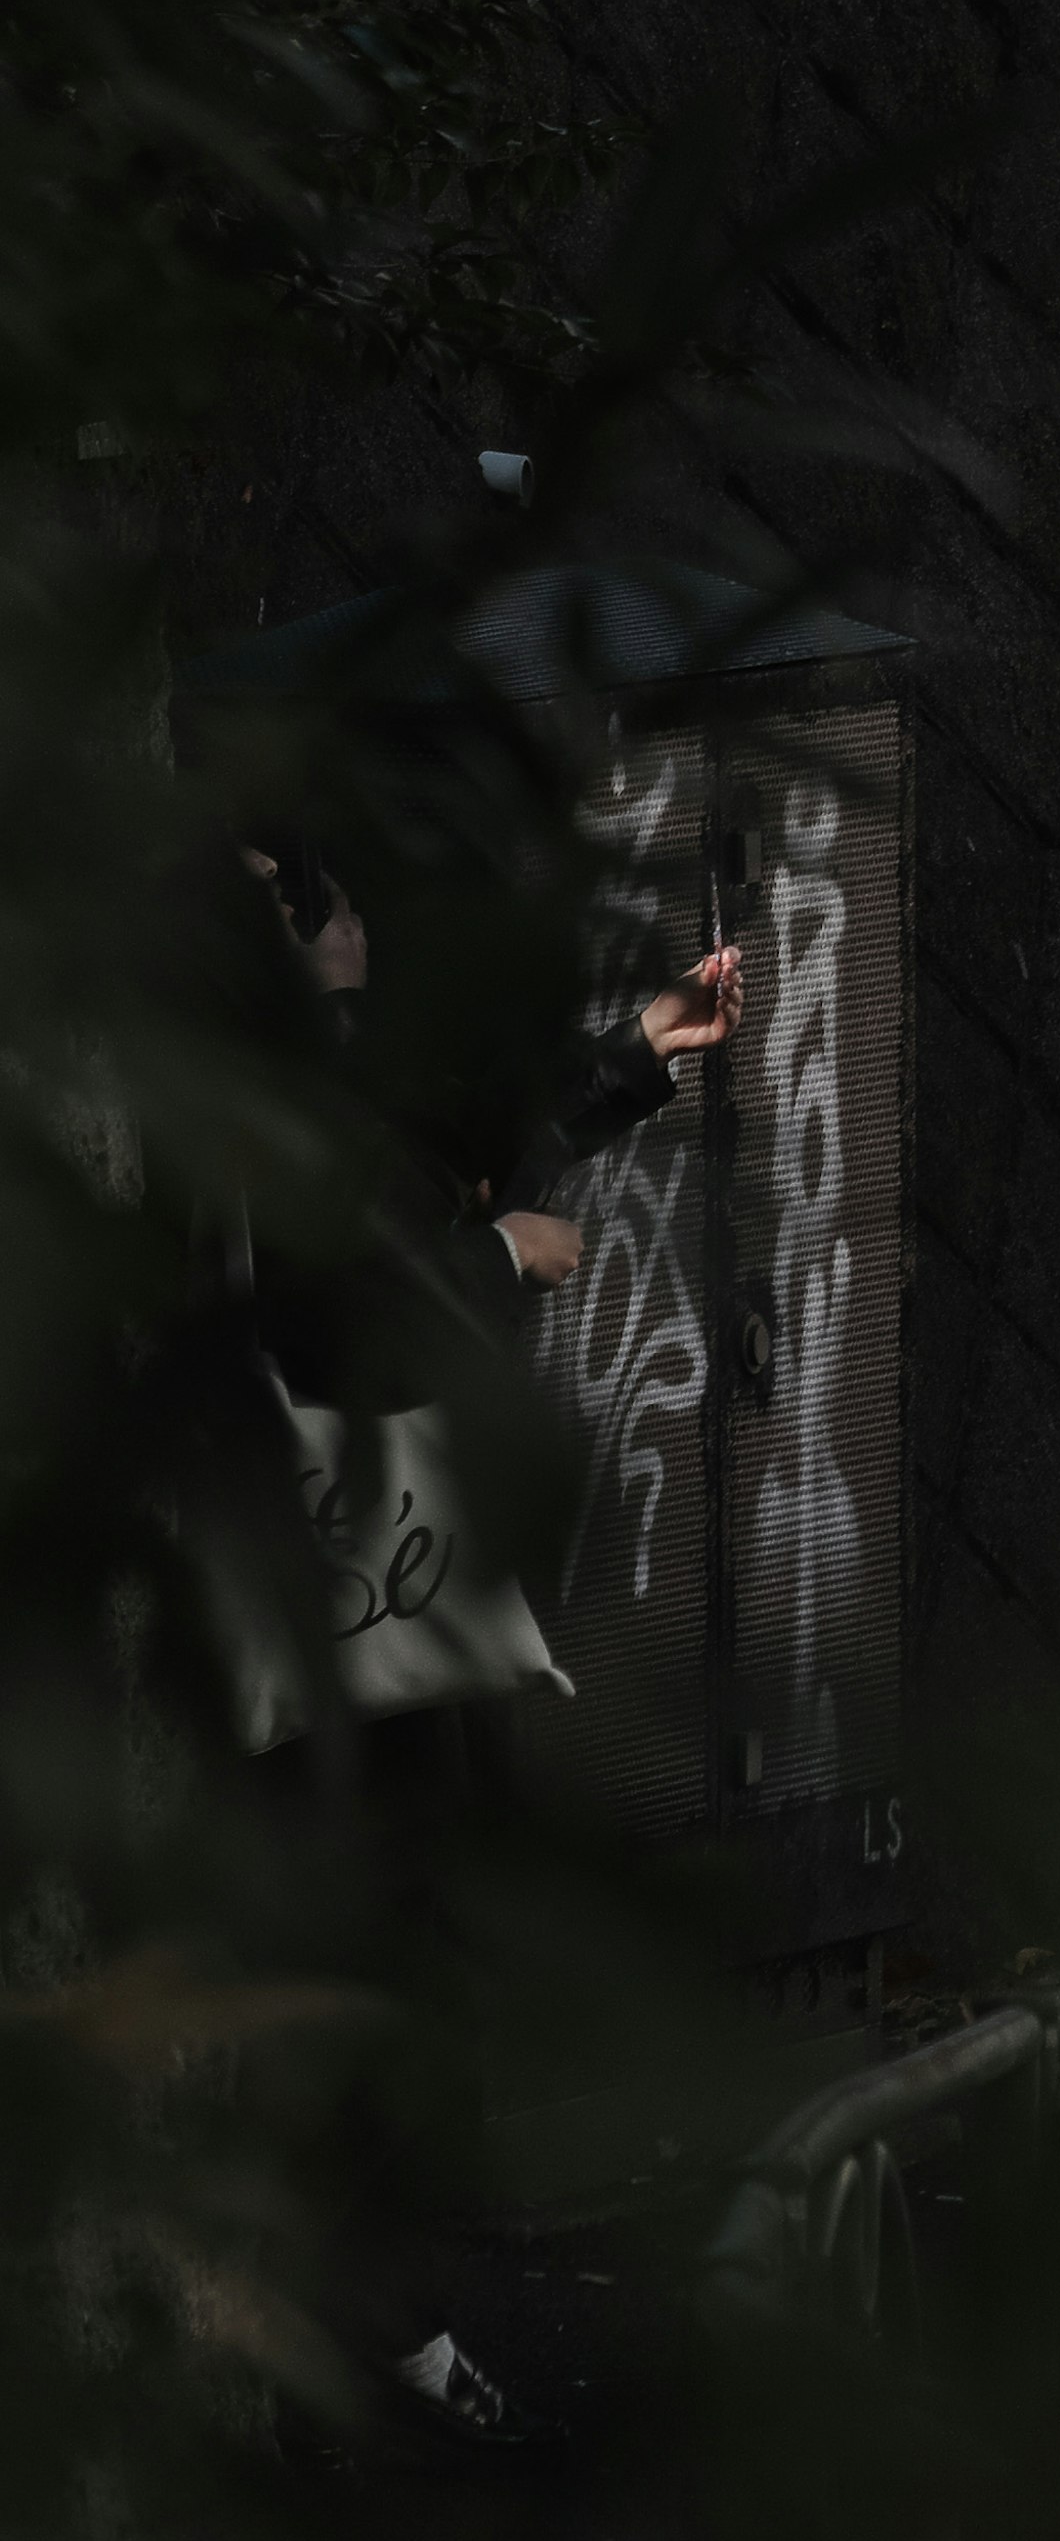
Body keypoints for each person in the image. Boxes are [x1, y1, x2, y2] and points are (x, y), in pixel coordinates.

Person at [240, 844, 742, 2443]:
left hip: (357, 1568)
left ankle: (379, 2321)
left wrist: (635, 1059)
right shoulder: (273, 1093)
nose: (354, 909)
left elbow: (426, 1185)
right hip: (354, 1570)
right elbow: (349, 1305)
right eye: (311, 894)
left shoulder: (275, 1080)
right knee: (396, 1945)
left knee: (402, 1936)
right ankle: (372, 2331)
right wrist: (502, 1260)